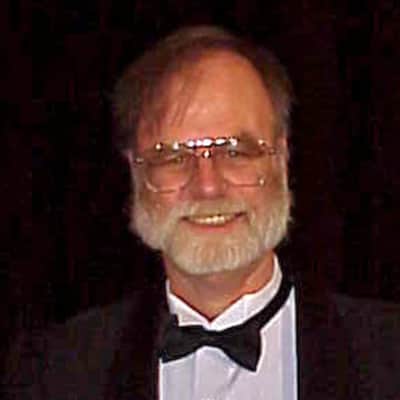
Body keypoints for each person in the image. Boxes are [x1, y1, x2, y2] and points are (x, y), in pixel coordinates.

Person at [3, 26, 399, 400]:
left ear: (282, 158)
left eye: (235, 152)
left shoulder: (387, 354)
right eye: (174, 157)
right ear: (135, 172)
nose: (208, 186)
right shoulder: (55, 372)